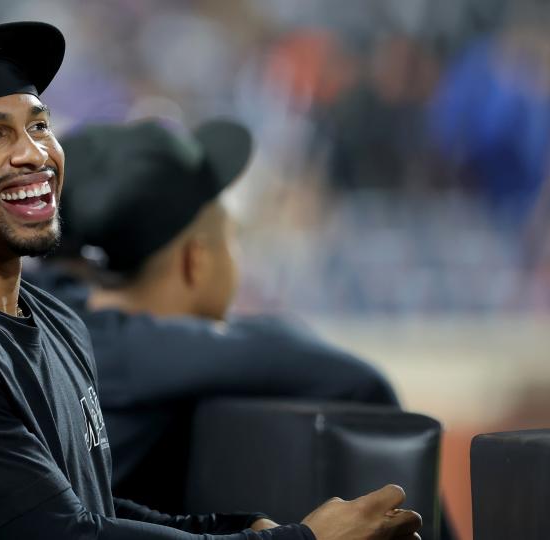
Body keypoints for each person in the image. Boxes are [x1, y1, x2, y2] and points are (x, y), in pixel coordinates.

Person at [0, 13, 422, 540]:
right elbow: (69, 536)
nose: (35, 154)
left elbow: (87, 507)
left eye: (38, 125)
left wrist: (241, 529)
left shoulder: (50, 316)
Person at [51, 120, 400, 511]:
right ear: (195, 261)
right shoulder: (139, 357)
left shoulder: (51, 316)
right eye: (231, 238)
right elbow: (365, 384)